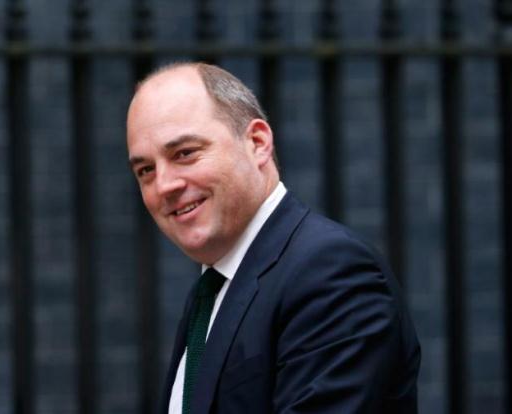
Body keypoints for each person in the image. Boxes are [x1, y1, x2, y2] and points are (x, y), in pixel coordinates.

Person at [126, 62, 421, 414]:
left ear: (257, 143)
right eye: (146, 170)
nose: (164, 185)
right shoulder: (212, 290)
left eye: (185, 153)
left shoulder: (330, 272)